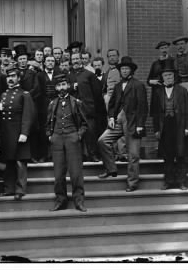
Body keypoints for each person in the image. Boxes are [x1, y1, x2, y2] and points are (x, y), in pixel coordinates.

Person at [98, 56, 148, 192]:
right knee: (103, 141)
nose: (124, 71)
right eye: (123, 69)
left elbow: (143, 107)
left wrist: (140, 125)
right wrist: (111, 117)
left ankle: (132, 182)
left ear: (131, 71)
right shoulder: (118, 86)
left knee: (133, 155)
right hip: (119, 119)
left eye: (127, 69)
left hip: (133, 122)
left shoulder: (138, 85)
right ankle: (111, 169)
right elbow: (113, 104)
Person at [46, 74, 88, 212]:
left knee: (76, 173)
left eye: (64, 85)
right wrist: (50, 136)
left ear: (68, 86)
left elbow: (84, 124)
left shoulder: (76, 102)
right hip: (57, 139)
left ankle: (79, 201)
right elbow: (48, 124)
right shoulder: (52, 104)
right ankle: (60, 200)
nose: (62, 88)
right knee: (58, 175)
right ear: (56, 87)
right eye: (59, 85)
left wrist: (78, 135)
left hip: (72, 138)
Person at [152, 60, 188, 190]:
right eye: (165, 75)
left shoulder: (182, 90)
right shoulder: (158, 92)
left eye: (170, 75)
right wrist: (157, 130)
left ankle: (181, 182)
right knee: (167, 156)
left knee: (181, 155)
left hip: (179, 125)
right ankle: (169, 181)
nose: (168, 77)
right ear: (162, 78)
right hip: (165, 126)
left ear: (174, 76)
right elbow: (155, 113)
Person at [0, 64, 35, 200]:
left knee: (20, 162)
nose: (10, 79)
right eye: (8, 77)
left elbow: (28, 115)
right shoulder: (3, 95)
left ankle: (20, 189)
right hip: (7, 134)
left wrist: (24, 133)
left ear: (19, 78)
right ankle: (9, 189)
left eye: (13, 76)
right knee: (9, 162)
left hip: (19, 133)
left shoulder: (24, 95)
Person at [68, 52, 104, 162]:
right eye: (73, 59)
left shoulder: (89, 75)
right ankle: (79, 156)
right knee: (75, 134)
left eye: (77, 59)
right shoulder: (68, 76)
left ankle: (92, 154)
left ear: (81, 60)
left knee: (91, 133)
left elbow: (97, 93)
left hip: (88, 109)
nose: (75, 61)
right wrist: (71, 88)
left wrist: (94, 108)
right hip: (73, 110)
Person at [147, 41, 175, 118]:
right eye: (162, 48)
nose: (164, 50)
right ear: (159, 50)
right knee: (158, 115)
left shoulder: (173, 61)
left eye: (165, 48)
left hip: (170, 91)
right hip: (157, 91)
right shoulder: (155, 63)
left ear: (168, 48)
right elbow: (148, 80)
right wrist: (151, 81)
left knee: (170, 113)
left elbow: (176, 76)